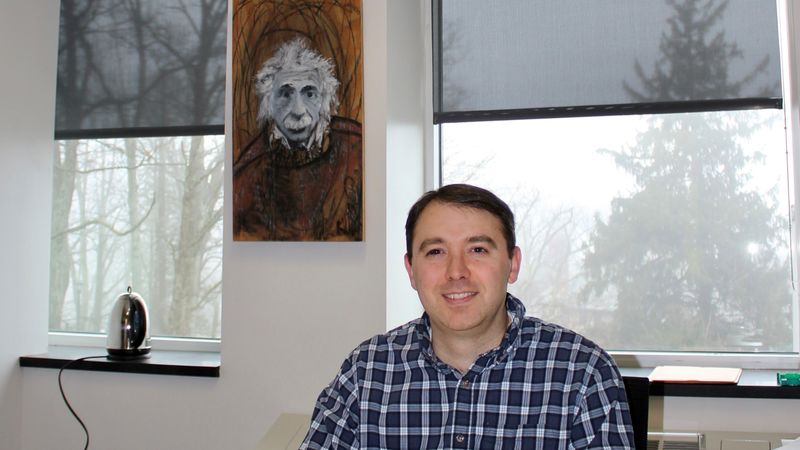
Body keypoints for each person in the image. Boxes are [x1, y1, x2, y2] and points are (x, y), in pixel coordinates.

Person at [301, 184, 635, 449]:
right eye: (435, 252)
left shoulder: (582, 373)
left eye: (477, 250)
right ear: (411, 270)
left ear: (513, 264)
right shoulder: (366, 372)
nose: (456, 272)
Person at [233, 38, 362, 241]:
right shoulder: (247, 174)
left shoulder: (358, 151)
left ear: (324, 102)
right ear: (268, 104)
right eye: (285, 94)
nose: (298, 111)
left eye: (310, 93)